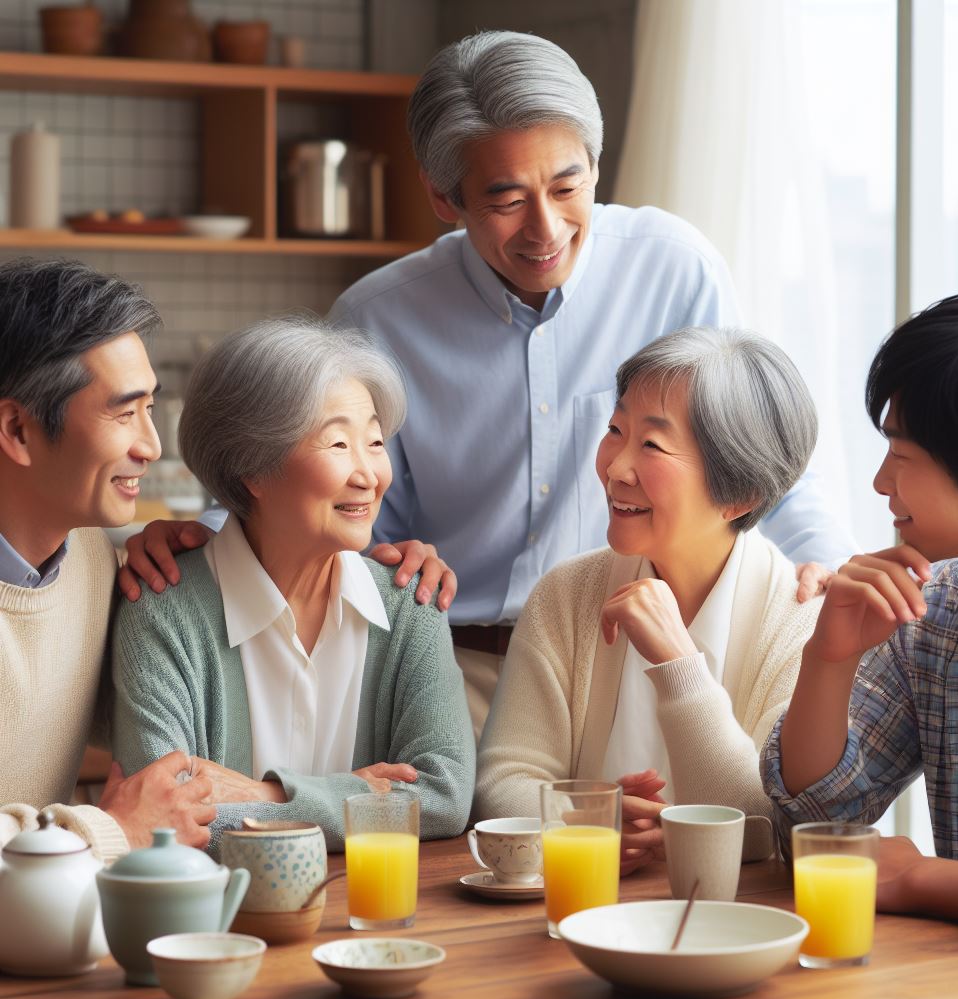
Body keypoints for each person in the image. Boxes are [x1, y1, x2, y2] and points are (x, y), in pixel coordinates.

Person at [121, 30, 856, 733]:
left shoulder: (674, 267)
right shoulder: (380, 317)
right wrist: (202, 543)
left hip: (624, 655)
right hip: (450, 668)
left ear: (596, 165)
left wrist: (827, 566)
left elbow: (756, 456)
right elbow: (337, 502)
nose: (546, 228)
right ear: (445, 197)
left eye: (569, 187)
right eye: (506, 201)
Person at [112, 316, 475, 853]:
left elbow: (444, 797)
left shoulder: (410, 603)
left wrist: (273, 794)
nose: (369, 475)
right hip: (219, 929)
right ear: (252, 470)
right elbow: (163, 819)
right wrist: (361, 801)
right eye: (337, 444)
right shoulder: (164, 611)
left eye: (374, 442)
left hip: (374, 920)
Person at [477, 327, 823, 871]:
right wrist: (590, 821)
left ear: (739, 494)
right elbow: (503, 783)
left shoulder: (802, 622)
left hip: (734, 928)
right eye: (616, 430)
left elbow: (766, 828)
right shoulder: (566, 595)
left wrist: (678, 665)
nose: (615, 468)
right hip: (579, 914)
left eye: (652, 445)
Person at [761, 292, 958, 943]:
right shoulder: (938, 616)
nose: (881, 483)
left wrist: (921, 878)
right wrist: (830, 658)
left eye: (902, 457)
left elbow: (880, 871)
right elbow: (817, 824)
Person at [0, 257, 214, 860]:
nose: (150, 445)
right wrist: (107, 830)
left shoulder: (90, 557)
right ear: (17, 429)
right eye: (124, 412)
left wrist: (357, 567)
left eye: (150, 408)